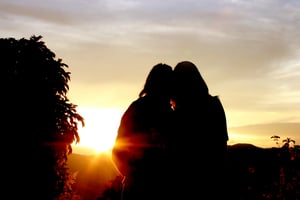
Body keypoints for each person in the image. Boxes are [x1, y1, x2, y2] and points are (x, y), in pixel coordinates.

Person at [111, 63, 174, 200]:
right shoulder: (139, 109)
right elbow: (118, 150)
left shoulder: (169, 114)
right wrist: (134, 176)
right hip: (140, 188)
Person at [170, 61, 229, 199]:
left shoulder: (180, 113)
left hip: (186, 183)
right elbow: (222, 145)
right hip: (213, 179)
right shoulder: (214, 105)